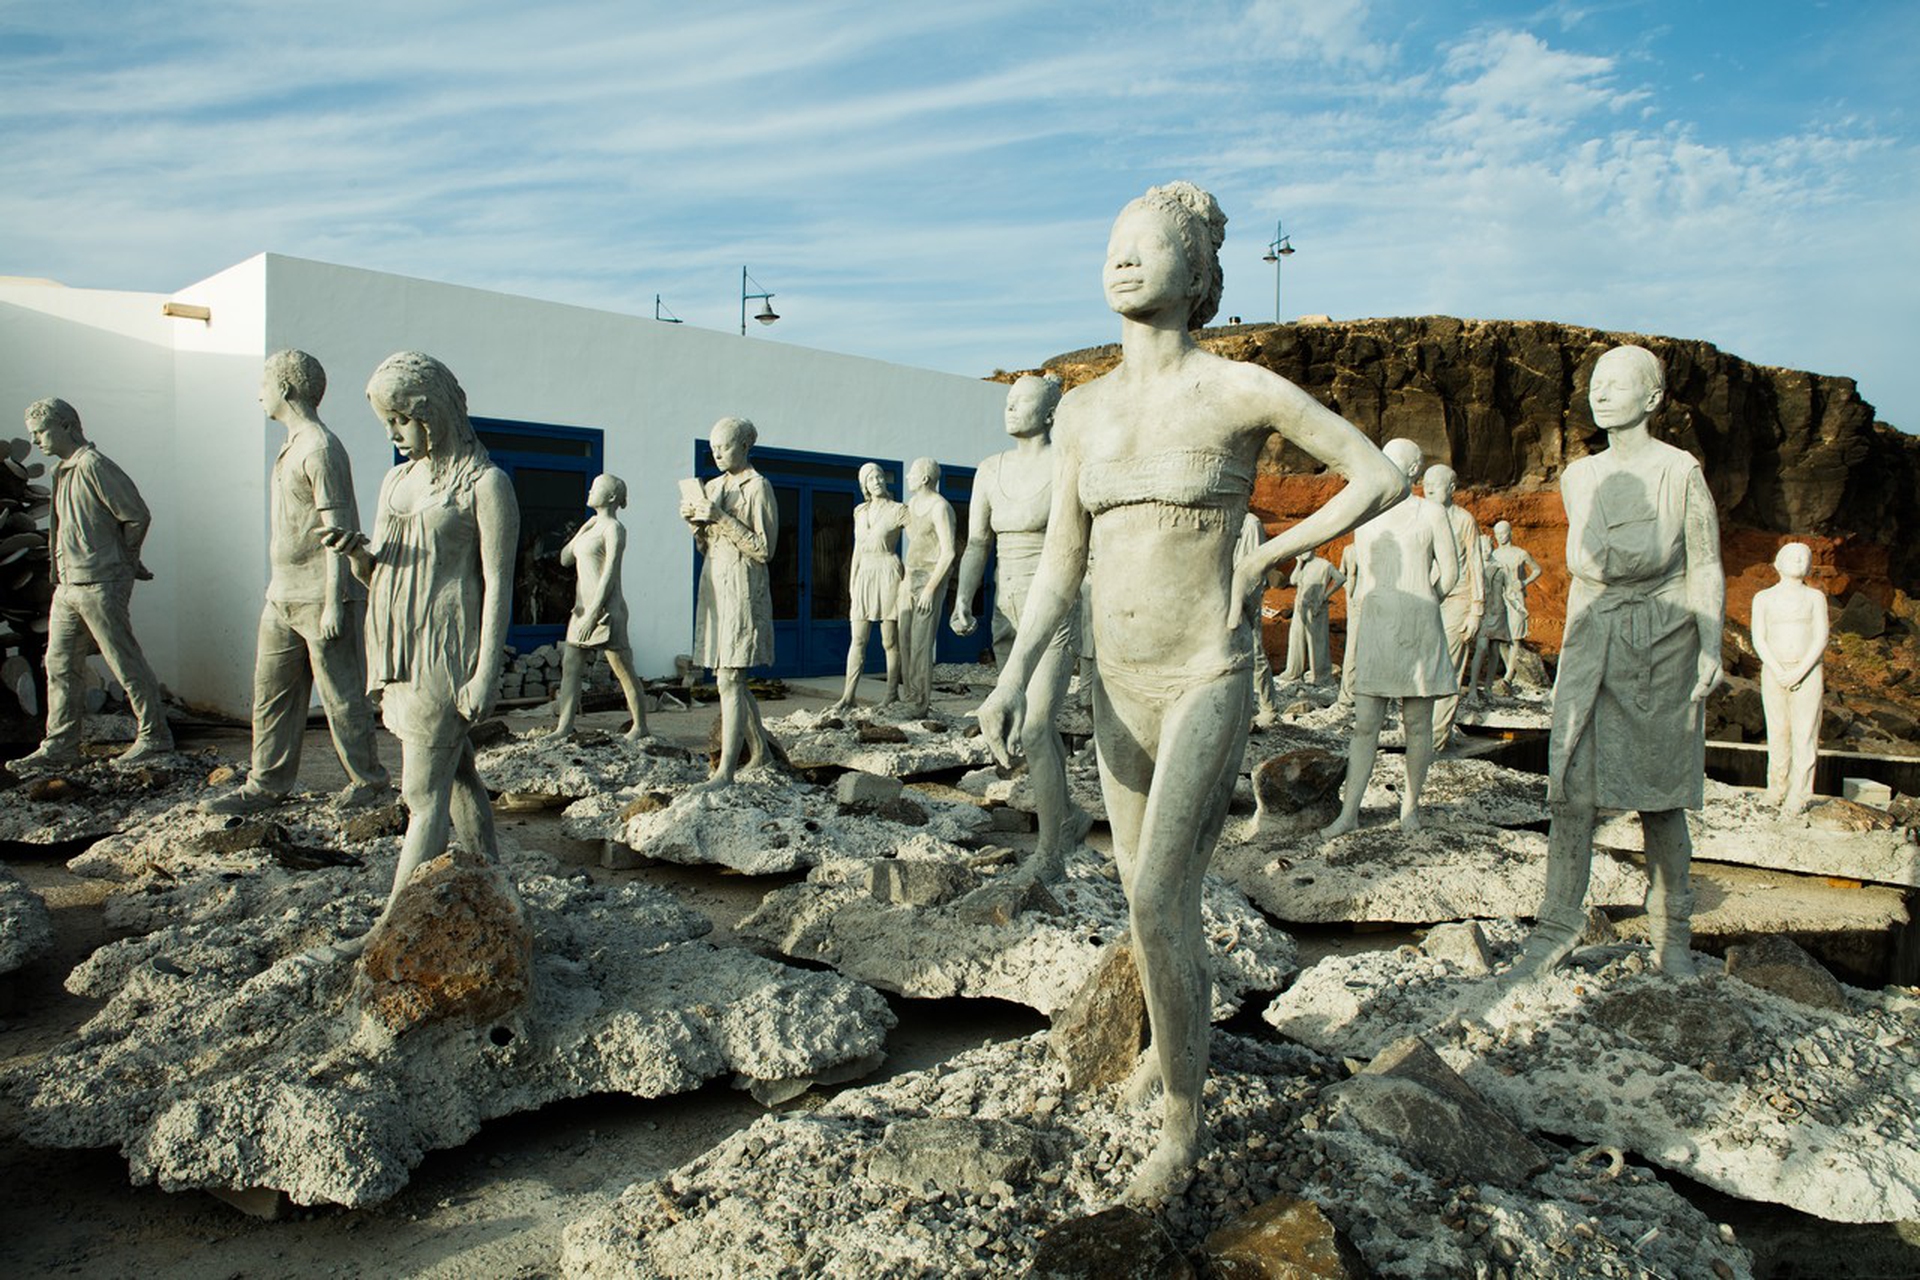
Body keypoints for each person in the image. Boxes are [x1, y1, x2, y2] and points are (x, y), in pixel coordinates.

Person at [977, 181, 1403, 1204]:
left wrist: (1269, 559)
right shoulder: (1080, 410)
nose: (1123, 260)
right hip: (1113, 681)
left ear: (1199, 274)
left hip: (1207, 670)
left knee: (1159, 889)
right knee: (1143, 895)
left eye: (1149, 245)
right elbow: (1057, 566)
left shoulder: (1238, 389)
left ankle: (1180, 1122)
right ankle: (1167, 1052)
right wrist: (1015, 674)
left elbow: (1374, 475)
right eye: (1114, 243)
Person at [1508, 344, 1723, 982]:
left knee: (1662, 796)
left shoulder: (1679, 470)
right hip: (1592, 635)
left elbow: (1705, 562)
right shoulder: (1580, 475)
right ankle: (1555, 929)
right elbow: (1588, 567)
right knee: (1572, 786)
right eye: (1594, 385)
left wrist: (1711, 644)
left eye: (1617, 385)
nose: (1600, 395)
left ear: (1652, 398)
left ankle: (1671, 938)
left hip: (1661, 643)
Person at [318, 352, 518, 953]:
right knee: (456, 773)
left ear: (430, 416)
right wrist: (357, 554)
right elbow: (378, 571)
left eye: (399, 422)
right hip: (399, 641)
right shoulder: (397, 480)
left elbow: (498, 586)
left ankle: (388, 930)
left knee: (420, 794)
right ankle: (497, 885)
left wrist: (485, 671)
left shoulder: (486, 485)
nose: (392, 435)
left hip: (446, 646)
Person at [205, 351, 389, 813]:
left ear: (286, 388)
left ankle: (369, 781)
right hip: (282, 594)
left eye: (264, 384)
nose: (259, 394)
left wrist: (333, 601)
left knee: (342, 698)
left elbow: (339, 531)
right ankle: (265, 784)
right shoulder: (292, 445)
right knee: (271, 694)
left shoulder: (321, 448)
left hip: (321, 596)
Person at [952, 374, 1085, 879]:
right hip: (1006, 608)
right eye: (1007, 400)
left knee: (1035, 723)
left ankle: (1051, 848)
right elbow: (978, 544)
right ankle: (1067, 816)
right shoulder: (989, 470)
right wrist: (964, 597)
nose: (1010, 407)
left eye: (1022, 400)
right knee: (1018, 722)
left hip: (1051, 606)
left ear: (1050, 412)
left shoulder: (1067, 463)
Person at [7, 397, 173, 774]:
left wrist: (126, 561)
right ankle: (61, 744)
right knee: (59, 664)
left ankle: (155, 735)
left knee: (123, 659)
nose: (35, 441)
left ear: (66, 425)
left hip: (99, 583)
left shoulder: (95, 466)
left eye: (41, 432)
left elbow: (136, 515)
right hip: (67, 585)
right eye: (31, 435)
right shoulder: (60, 470)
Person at [1320, 440, 1460, 838]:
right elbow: (1364, 578)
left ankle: (1410, 809)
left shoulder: (1430, 512)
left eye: (1397, 463)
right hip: (1378, 625)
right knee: (1365, 724)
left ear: (1415, 470)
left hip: (1418, 622)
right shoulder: (1367, 517)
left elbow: (1449, 572)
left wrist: (1425, 599)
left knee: (1418, 724)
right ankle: (1349, 813)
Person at [680, 417, 778, 789]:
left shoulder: (758, 487)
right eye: (713, 448)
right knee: (729, 676)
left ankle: (727, 772)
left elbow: (765, 549)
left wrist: (720, 516)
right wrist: (697, 525)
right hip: (715, 583)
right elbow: (707, 545)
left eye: (723, 446)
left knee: (730, 677)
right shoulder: (714, 486)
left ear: (744, 447)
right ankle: (761, 753)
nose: (717, 454)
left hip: (742, 584)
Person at [551, 473, 649, 741]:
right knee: (571, 667)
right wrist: (582, 530)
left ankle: (640, 725)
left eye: (595, 488)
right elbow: (564, 559)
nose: (589, 492)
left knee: (622, 668)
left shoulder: (614, 529)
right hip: (581, 610)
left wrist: (595, 612)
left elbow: (610, 573)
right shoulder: (592, 527)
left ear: (611, 497)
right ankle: (564, 726)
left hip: (607, 611)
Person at [1751, 542, 1827, 817]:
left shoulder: (1815, 598)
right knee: (1778, 731)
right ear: (1778, 563)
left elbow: (1820, 638)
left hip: (1807, 672)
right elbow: (1758, 638)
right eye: (1791, 556)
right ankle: (1776, 789)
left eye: (1803, 557)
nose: (1797, 559)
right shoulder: (1763, 598)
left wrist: (1800, 670)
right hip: (1774, 671)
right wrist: (1777, 668)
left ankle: (1800, 793)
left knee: (1805, 733)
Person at [830, 462, 906, 711]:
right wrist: (852, 584)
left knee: (889, 641)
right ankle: (848, 696)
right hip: (864, 575)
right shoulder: (859, 512)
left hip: (888, 572)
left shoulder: (899, 510)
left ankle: (891, 693)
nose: (877, 481)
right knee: (858, 640)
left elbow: (919, 540)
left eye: (880, 476)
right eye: (871, 478)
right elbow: (858, 551)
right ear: (864, 485)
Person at [1423, 464, 1484, 751]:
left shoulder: (1464, 520)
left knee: (1447, 668)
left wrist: (1477, 609)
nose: (1430, 487)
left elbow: (1475, 563)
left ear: (1452, 488)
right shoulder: (1419, 517)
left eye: (1438, 483)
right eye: (1426, 482)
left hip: (1457, 599)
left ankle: (1436, 738)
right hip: (1424, 598)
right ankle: (1416, 732)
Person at [896, 457, 956, 714]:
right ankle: (909, 695)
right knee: (904, 638)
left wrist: (931, 589)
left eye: (912, 473)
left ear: (924, 478)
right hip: (910, 576)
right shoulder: (912, 504)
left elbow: (949, 552)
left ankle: (920, 703)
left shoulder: (940, 507)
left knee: (921, 643)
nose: (907, 476)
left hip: (929, 579)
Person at [1468, 520, 1543, 697]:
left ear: (1510, 532)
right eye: (1497, 533)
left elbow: (1535, 571)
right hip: (1492, 606)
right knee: (1491, 645)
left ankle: (1506, 677)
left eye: (1503, 532)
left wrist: (1523, 584)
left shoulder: (1519, 553)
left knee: (1512, 639)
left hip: (1511, 600)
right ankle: (1481, 684)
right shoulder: (1491, 557)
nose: (1501, 536)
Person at [1234, 513, 1283, 728]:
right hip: (1225, 592)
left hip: (1246, 594)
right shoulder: (1226, 517)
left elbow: (1257, 564)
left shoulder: (1251, 523)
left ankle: (1268, 708)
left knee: (1254, 650)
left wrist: (1247, 599)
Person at [1277, 547, 1343, 686]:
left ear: (1314, 549)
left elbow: (1340, 579)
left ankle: (1320, 675)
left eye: (1306, 550)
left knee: (1317, 642)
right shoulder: (1304, 566)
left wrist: (1324, 596)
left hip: (1316, 608)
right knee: (1296, 639)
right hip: (1300, 607)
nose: (1303, 554)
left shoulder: (1324, 565)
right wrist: (1298, 563)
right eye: (1301, 552)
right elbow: (1293, 580)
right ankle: (1293, 671)